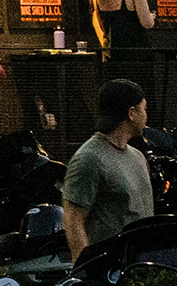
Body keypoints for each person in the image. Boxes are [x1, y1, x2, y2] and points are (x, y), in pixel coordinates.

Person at [62, 78, 153, 259]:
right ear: (132, 113)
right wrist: (86, 271)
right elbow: (73, 220)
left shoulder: (137, 156)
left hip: (140, 263)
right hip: (111, 269)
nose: (146, 115)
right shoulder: (89, 158)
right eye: (144, 109)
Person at [95, 0, 157, 92]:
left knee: (117, 97)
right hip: (136, 55)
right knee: (138, 97)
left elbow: (99, 22)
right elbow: (146, 23)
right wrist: (152, 17)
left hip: (112, 55)